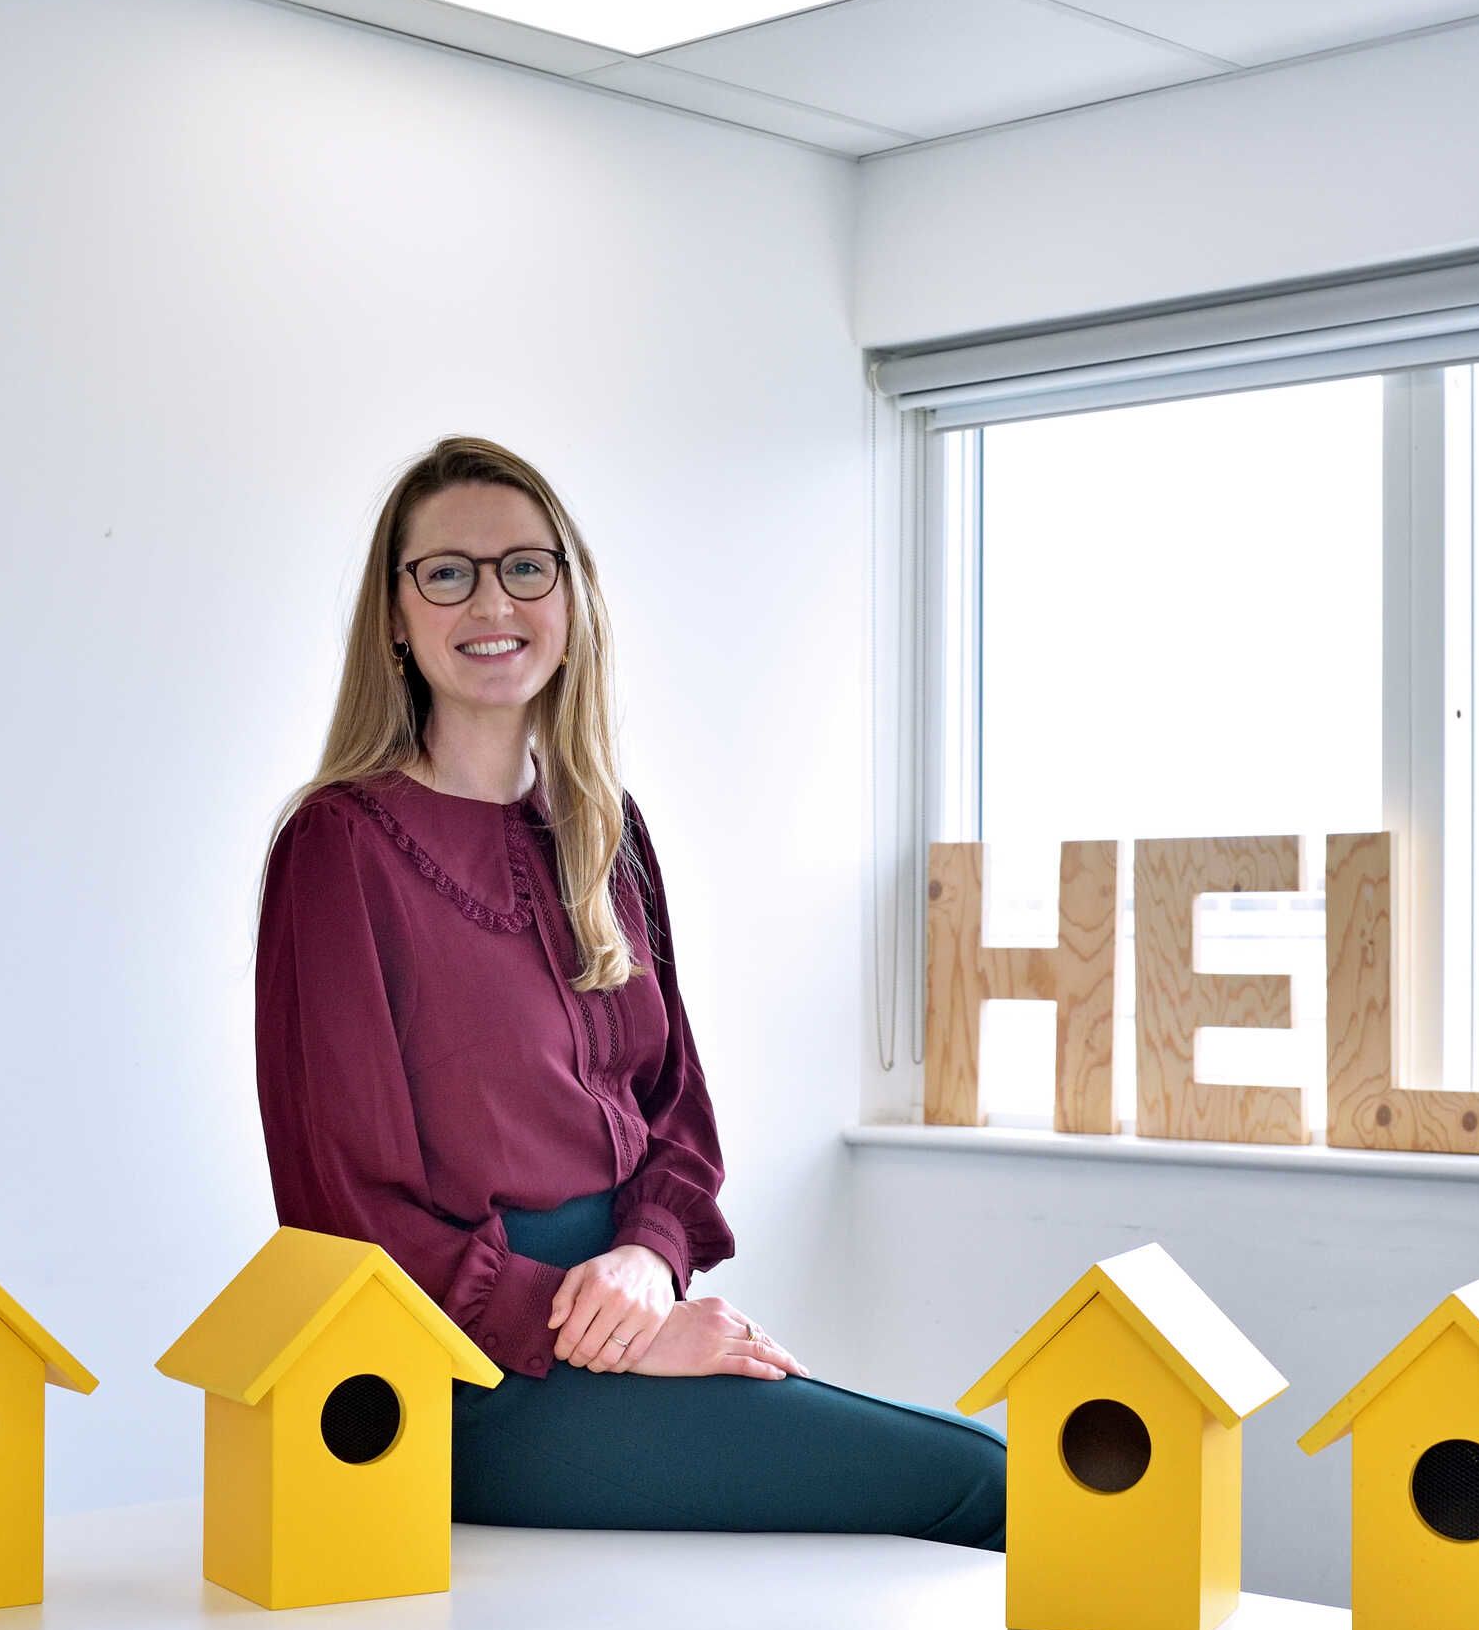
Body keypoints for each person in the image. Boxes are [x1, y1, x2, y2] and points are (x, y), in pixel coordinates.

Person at [252, 434, 1006, 1548]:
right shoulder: (338, 847)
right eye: (446, 571)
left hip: (625, 1306)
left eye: (525, 565)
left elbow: (678, 1116)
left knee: (976, 1473)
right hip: (466, 1374)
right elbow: (345, 1215)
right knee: (978, 1479)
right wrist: (598, 1328)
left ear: (572, 595)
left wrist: (648, 1261)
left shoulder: (607, 829)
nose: (490, 599)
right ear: (395, 615)